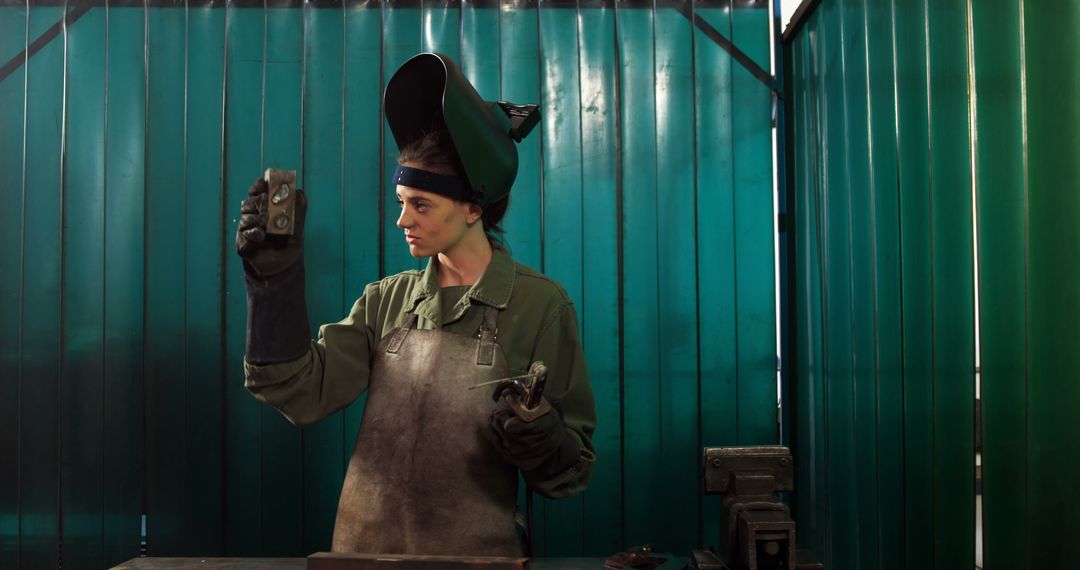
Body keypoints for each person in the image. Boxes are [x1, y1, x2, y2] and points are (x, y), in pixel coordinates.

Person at [234, 52, 596, 558]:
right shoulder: (388, 301)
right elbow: (300, 390)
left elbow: (570, 472)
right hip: (363, 559)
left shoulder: (541, 308)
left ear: (474, 206)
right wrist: (273, 281)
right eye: (401, 201)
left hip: (477, 562)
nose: (402, 219)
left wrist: (541, 436)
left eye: (420, 205)